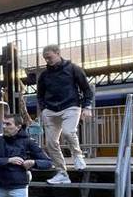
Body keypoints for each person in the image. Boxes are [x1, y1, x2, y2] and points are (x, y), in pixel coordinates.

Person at [37, 44, 94, 184]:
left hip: (71, 106)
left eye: (49, 57)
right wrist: (44, 109)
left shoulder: (73, 69)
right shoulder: (44, 75)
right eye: (45, 58)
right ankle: (62, 172)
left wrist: (87, 106)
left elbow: (86, 89)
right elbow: (40, 94)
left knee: (68, 132)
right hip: (50, 110)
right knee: (51, 143)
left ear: (57, 53)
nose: (47, 61)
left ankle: (77, 155)